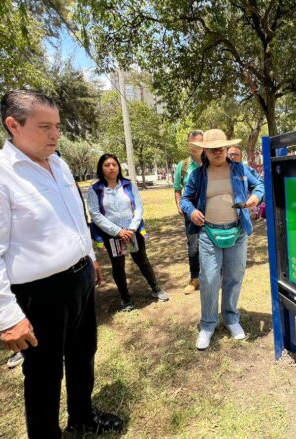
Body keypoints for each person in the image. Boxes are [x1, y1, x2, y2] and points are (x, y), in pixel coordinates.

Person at [0, 90, 122, 439]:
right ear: (13, 125)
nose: (55, 134)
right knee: (44, 375)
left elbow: (76, 217)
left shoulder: (58, 165)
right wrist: (7, 315)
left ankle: (82, 414)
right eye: (45, 126)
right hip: (38, 293)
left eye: (58, 126)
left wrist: (89, 257)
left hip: (78, 280)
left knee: (83, 354)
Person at [179, 129, 264, 350]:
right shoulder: (197, 175)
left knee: (234, 276)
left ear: (227, 149)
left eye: (221, 148)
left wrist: (255, 197)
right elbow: (185, 199)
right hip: (208, 233)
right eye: (212, 149)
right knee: (208, 279)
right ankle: (207, 324)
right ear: (205, 152)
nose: (217, 152)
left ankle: (231, 318)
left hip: (237, 232)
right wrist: (191, 212)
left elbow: (260, 184)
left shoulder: (240, 169)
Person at [88, 153, 169, 311]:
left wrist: (131, 229)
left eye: (114, 164)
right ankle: (126, 298)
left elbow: (138, 207)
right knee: (118, 266)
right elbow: (95, 214)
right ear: (101, 168)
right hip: (113, 236)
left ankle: (156, 289)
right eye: (107, 165)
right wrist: (118, 231)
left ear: (118, 167)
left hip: (133, 233)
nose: (111, 168)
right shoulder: (95, 189)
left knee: (143, 261)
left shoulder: (128, 184)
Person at [174, 130, 204, 294]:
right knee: (193, 246)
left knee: (212, 244)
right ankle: (195, 278)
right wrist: (179, 205)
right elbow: (177, 188)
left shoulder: (211, 161)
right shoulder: (183, 165)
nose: (194, 146)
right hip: (190, 212)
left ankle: (213, 276)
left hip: (210, 210)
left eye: (198, 143)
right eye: (191, 143)